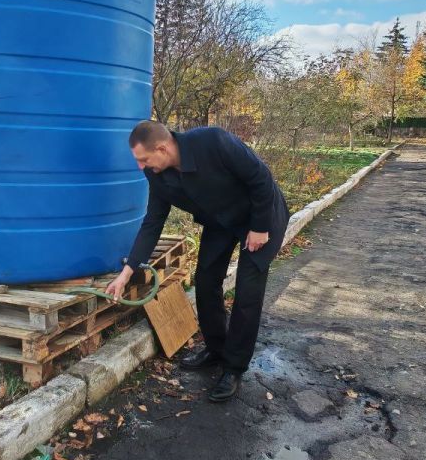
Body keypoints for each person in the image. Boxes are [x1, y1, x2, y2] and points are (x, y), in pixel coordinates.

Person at [105, 121, 290, 402]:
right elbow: (153, 222)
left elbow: (260, 178)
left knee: (247, 292)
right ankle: (216, 349)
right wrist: (127, 272)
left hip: (260, 215)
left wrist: (261, 227)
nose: (141, 167)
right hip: (220, 221)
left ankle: (234, 367)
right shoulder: (158, 175)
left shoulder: (213, 142)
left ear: (162, 148)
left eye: (143, 160)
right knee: (205, 281)